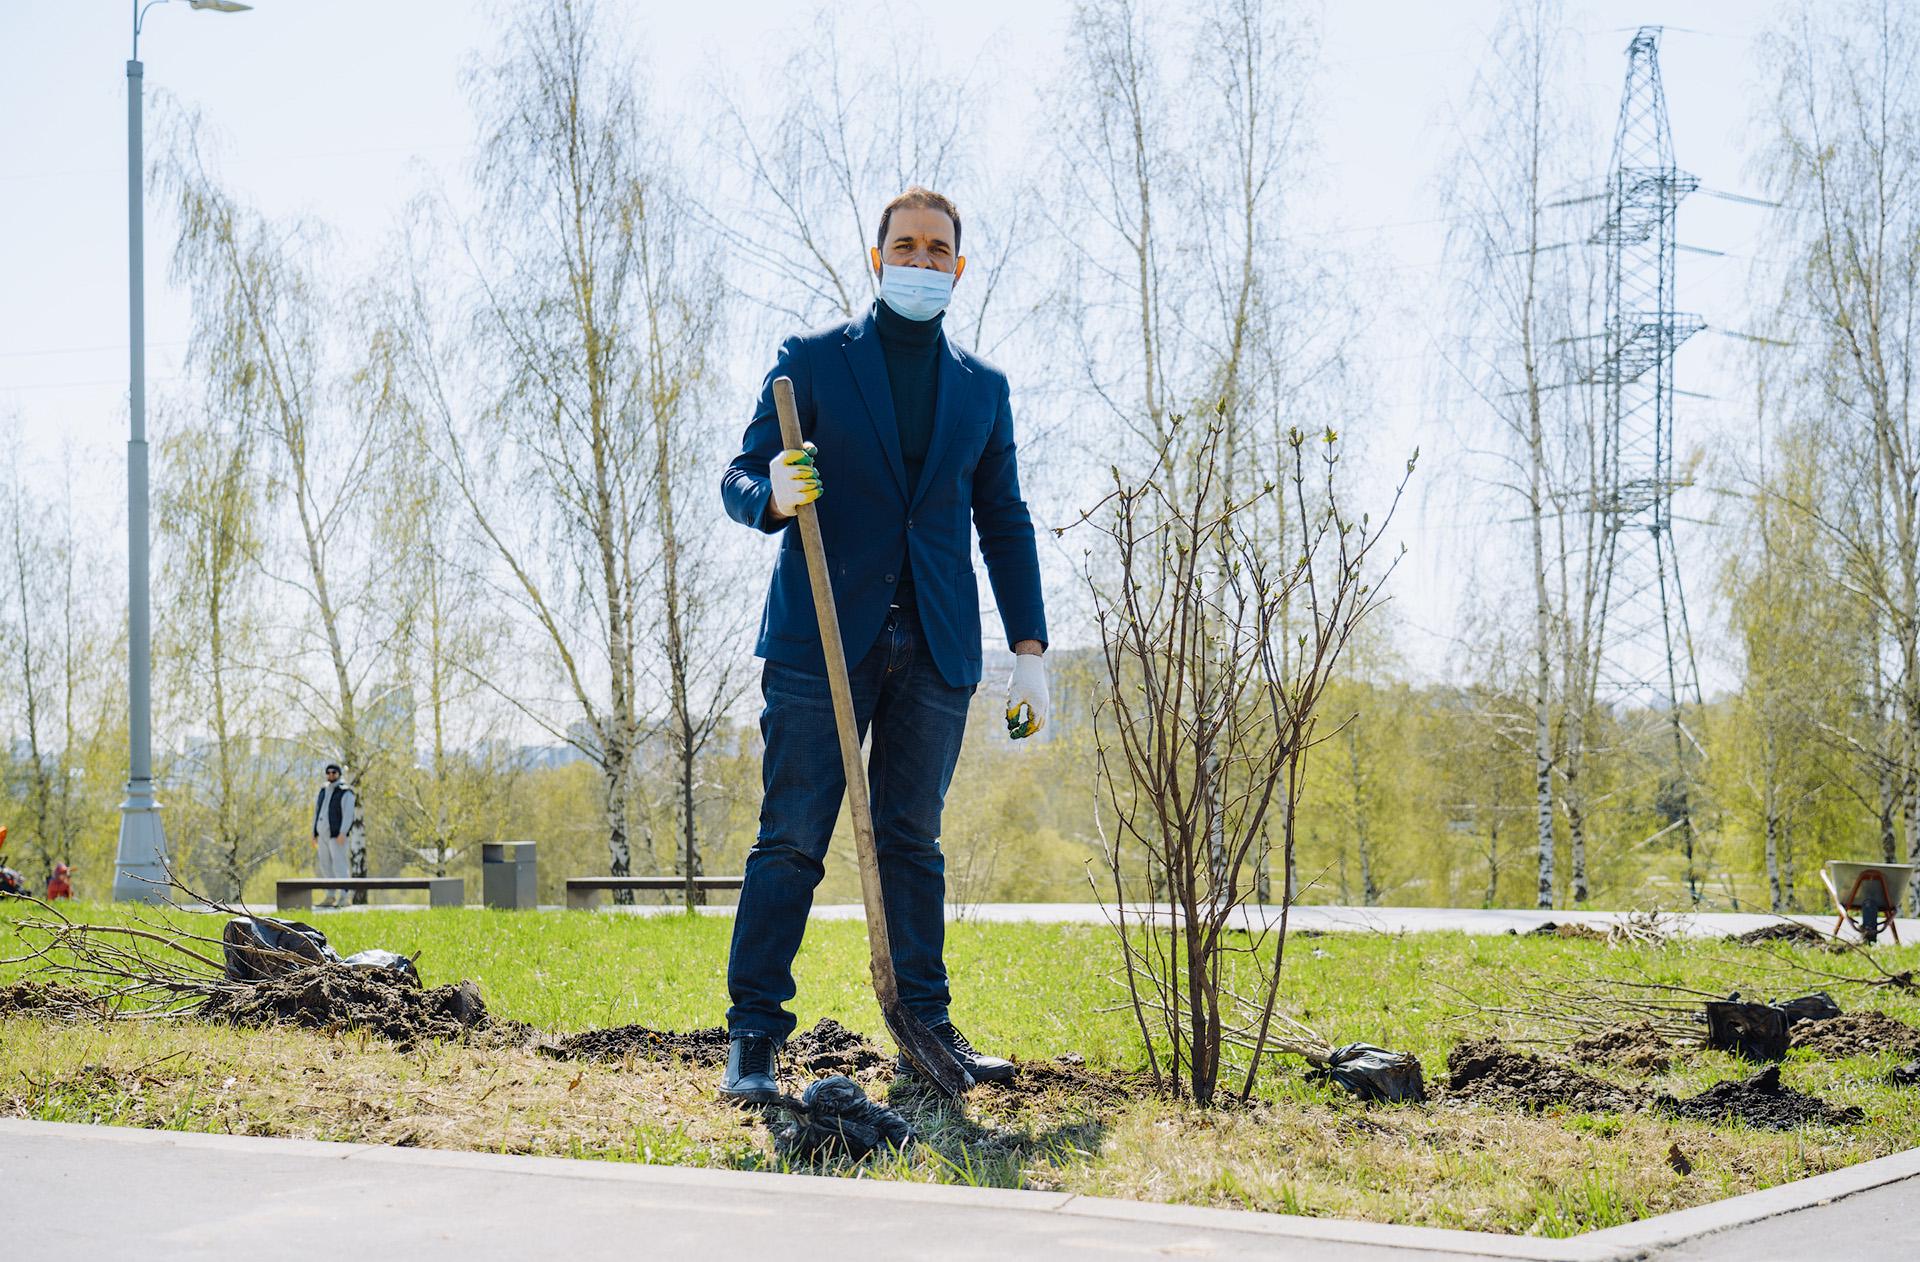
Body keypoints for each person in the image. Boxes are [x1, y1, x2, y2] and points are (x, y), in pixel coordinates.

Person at [718, 187, 1049, 1103]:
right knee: (790, 836)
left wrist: (1028, 647)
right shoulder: (815, 362)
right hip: (820, 638)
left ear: (959, 267)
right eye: (904, 245)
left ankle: (925, 1032)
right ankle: (752, 1040)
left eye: (937, 249)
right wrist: (774, 493)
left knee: (913, 840)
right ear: (877, 257)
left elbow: (1004, 517)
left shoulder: (983, 389)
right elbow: (739, 474)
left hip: (938, 645)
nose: (921, 260)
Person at [311, 763, 356, 909]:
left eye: (334, 772)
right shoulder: (323, 790)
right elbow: (317, 812)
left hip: (336, 835)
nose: (331, 775)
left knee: (339, 865)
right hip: (322, 834)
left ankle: (344, 896)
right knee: (325, 865)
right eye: (328, 772)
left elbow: (348, 814)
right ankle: (330, 895)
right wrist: (314, 833)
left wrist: (343, 832)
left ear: (339, 774)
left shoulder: (345, 792)